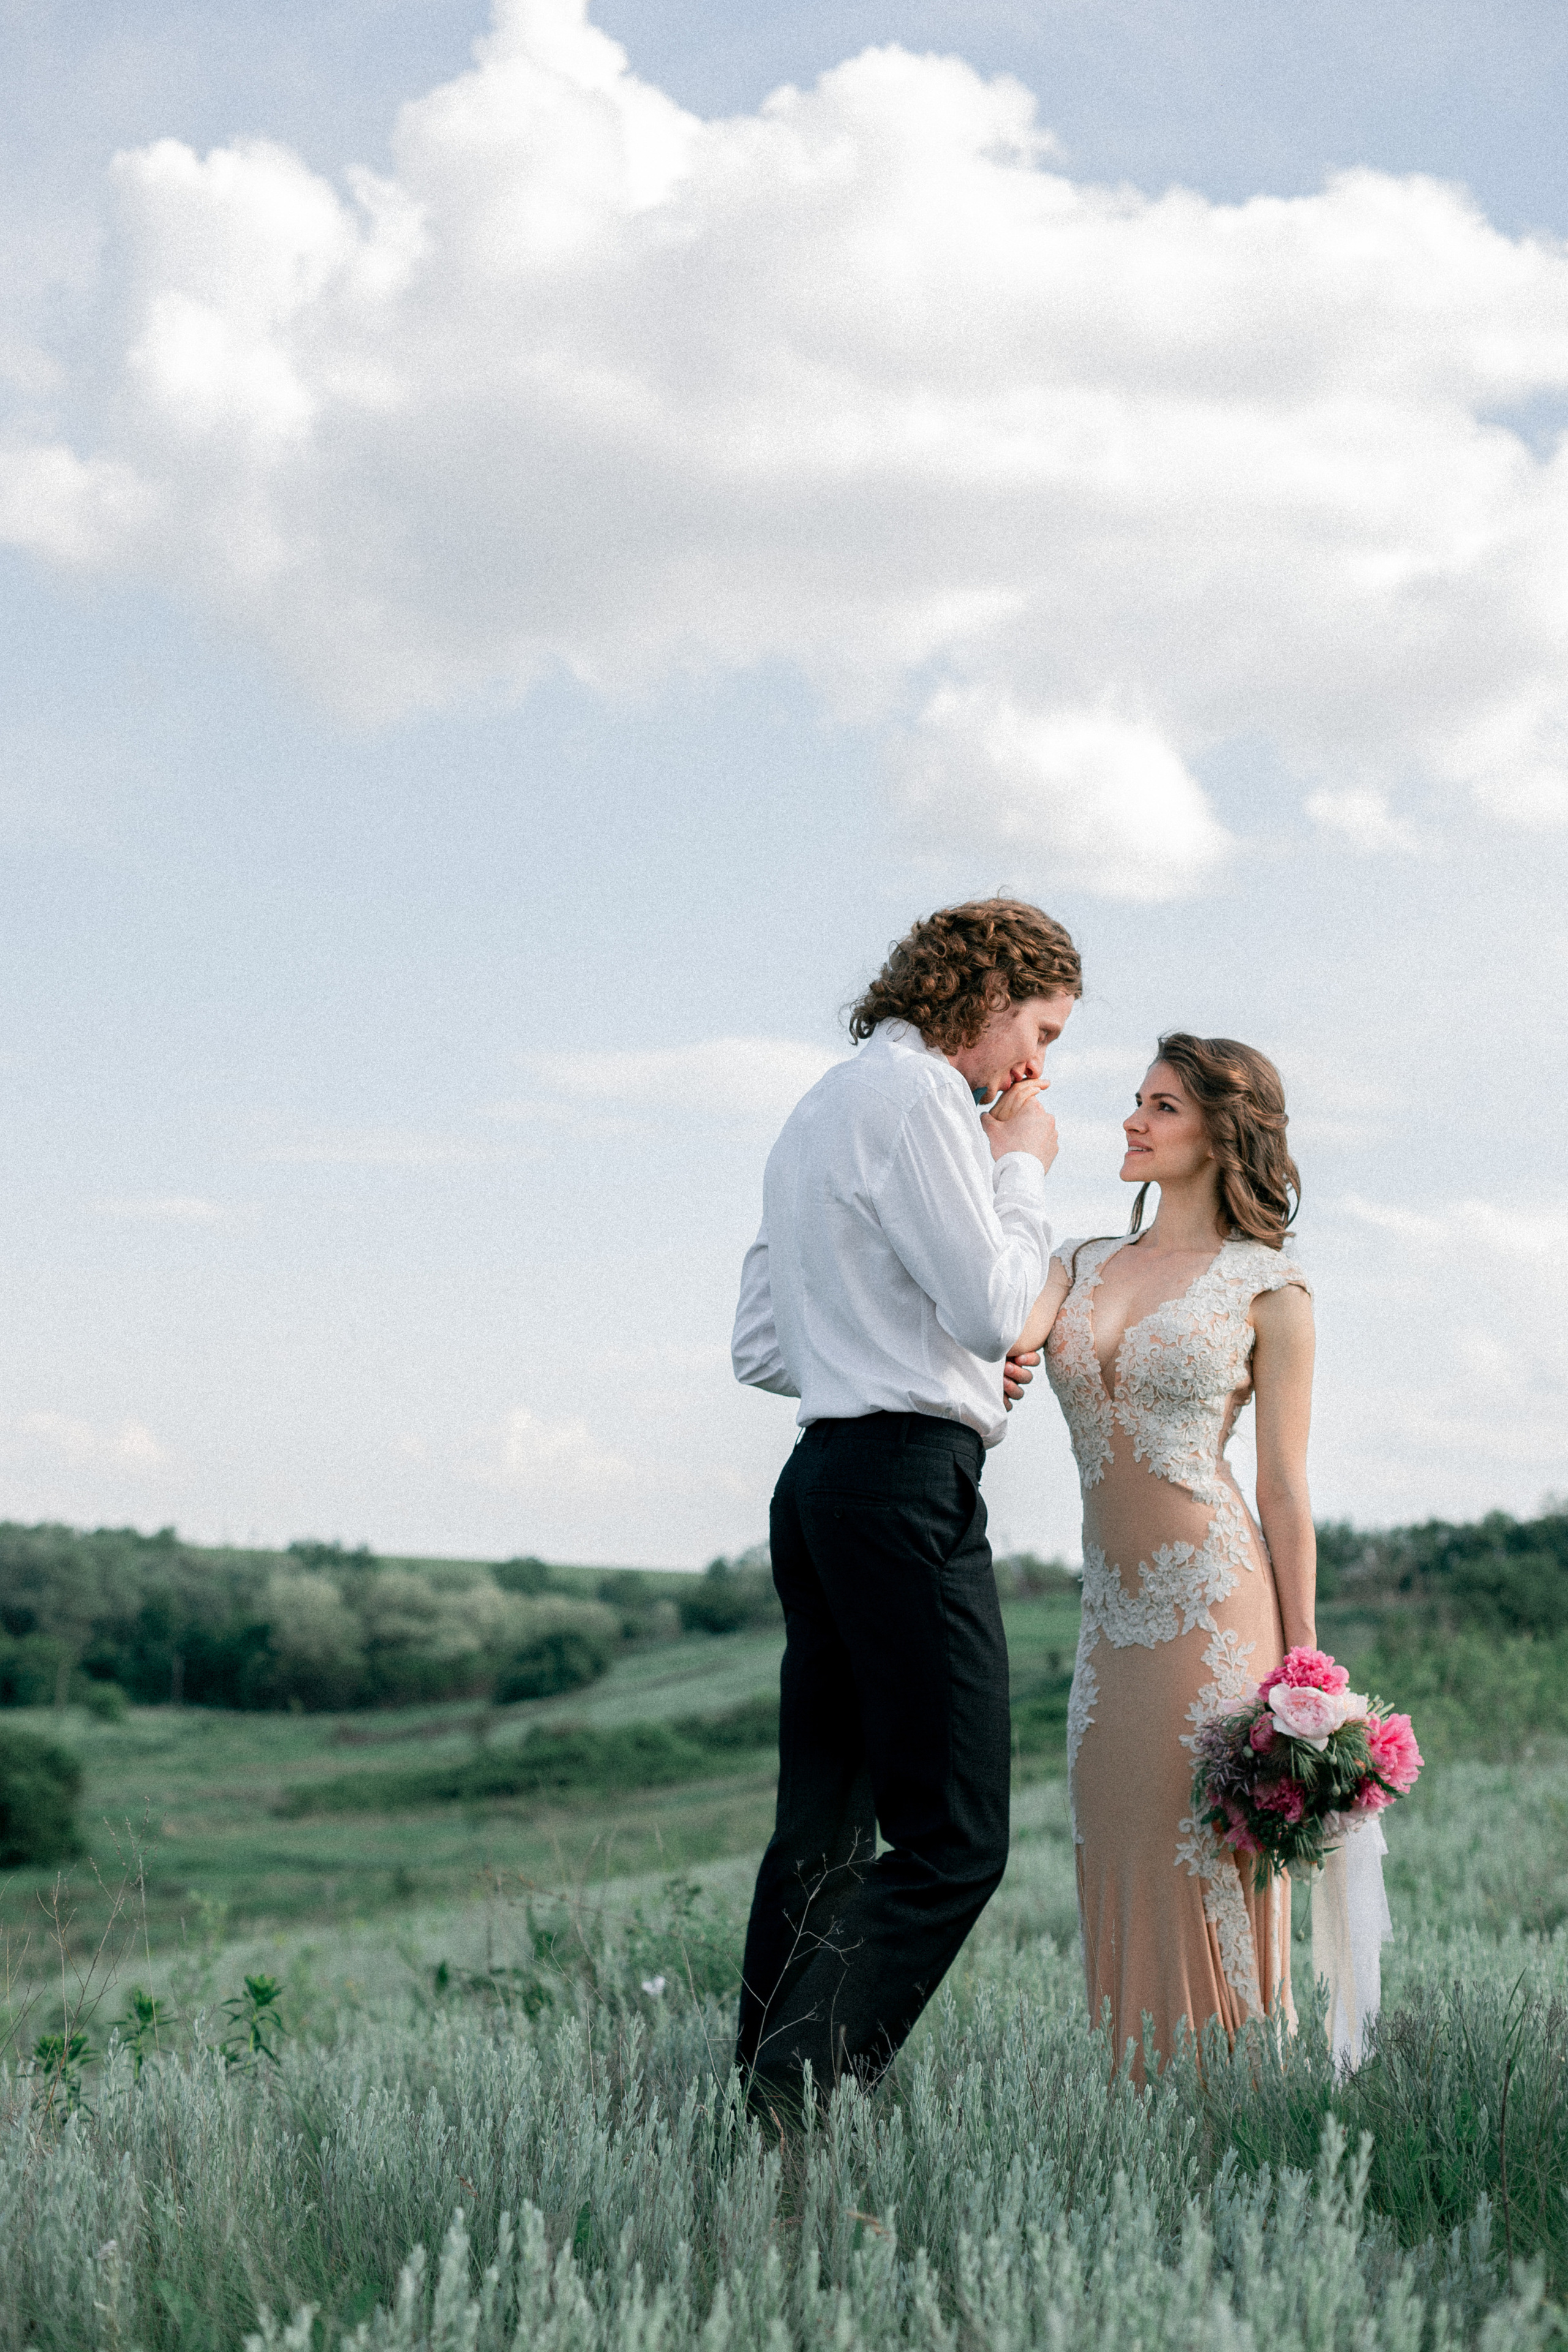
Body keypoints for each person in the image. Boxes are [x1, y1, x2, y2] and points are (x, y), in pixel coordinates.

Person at [730, 897, 1081, 2117]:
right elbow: (998, 1302)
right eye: (1038, 1027)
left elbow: (763, 1344)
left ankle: (764, 2103)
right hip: (899, 1487)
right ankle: (801, 2084)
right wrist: (1020, 1167)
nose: (1035, 1066)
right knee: (955, 1840)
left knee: (823, 1827)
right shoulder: (928, 1100)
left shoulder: (814, 1110)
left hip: (819, 1480)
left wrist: (911, 1348)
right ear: (987, 991)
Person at [1004, 1032, 1314, 2075]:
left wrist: (1306, 1670)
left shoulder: (1270, 1289)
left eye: (1164, 1106)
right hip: (1111, 1622)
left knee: (1212, 1860)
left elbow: (1280, 1487)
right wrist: (1008, 1141)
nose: (1134, 1120)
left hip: (1219, 1607)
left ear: (1226, 1132)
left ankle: (1243, 2095)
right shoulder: (1079, 1264)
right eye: (1138, 1101)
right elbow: (1004, 1326)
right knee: (1120, 1843)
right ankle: (1134, 2103)